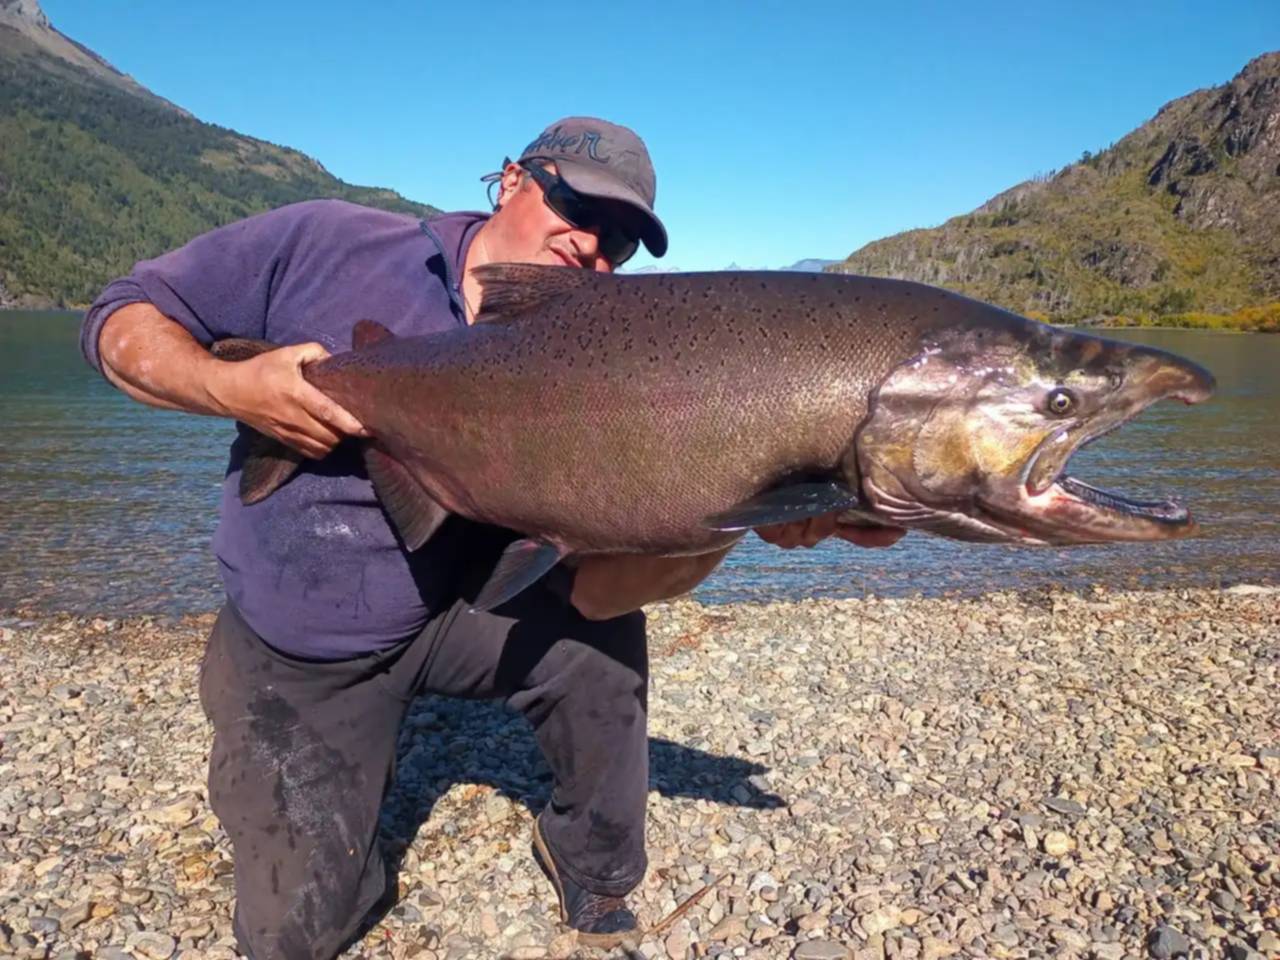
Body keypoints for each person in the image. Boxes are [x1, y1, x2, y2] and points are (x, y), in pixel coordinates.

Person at [79, 116, 903, 960]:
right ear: (512, 179)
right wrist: (228, 384)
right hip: (309, 644)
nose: (590, 243)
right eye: (576, 204)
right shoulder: (326, 241)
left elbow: (601, 593)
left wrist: (747, 510)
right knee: (299, 932)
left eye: (618, 237)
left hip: (475, 606)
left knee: (603, 651)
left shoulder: (617, 353)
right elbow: (120, 318)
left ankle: (587, 857)